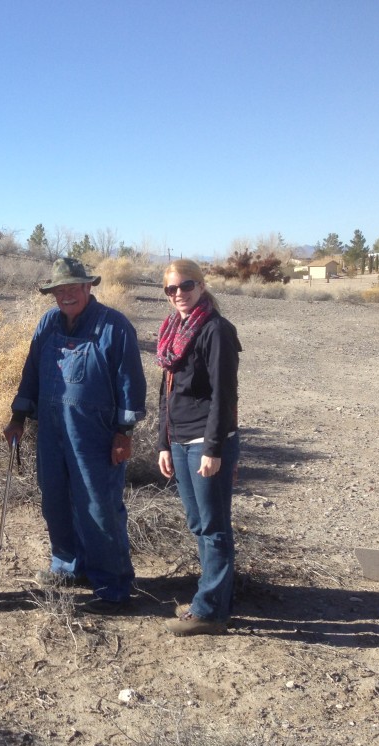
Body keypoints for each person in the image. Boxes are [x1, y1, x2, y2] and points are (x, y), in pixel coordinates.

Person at [3, 258, 146, 615]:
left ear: (88, 287)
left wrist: (123, 432)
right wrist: (18, 416)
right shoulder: (48, 323)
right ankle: (68, 567)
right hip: (51, 430)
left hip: (94, 435)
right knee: (55, 500)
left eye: (72, 288)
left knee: (99, 507)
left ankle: (113, 586)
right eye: (59, 290)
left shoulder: (114, 326)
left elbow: (130, 383)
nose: (66, 296)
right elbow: (32, 372)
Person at [156, 259, 242, 637]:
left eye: (186, 286)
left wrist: (214, 448)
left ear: (202, 286)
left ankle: (209, 610)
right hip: (178, 440)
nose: (179, 294)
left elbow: (224, 397)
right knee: (198, 523)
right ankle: (214, 596)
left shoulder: (215, 331)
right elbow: (167, 392)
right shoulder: (173, 330)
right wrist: (162, 442)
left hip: (205, 443)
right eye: (171, 289)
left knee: (214, 527)